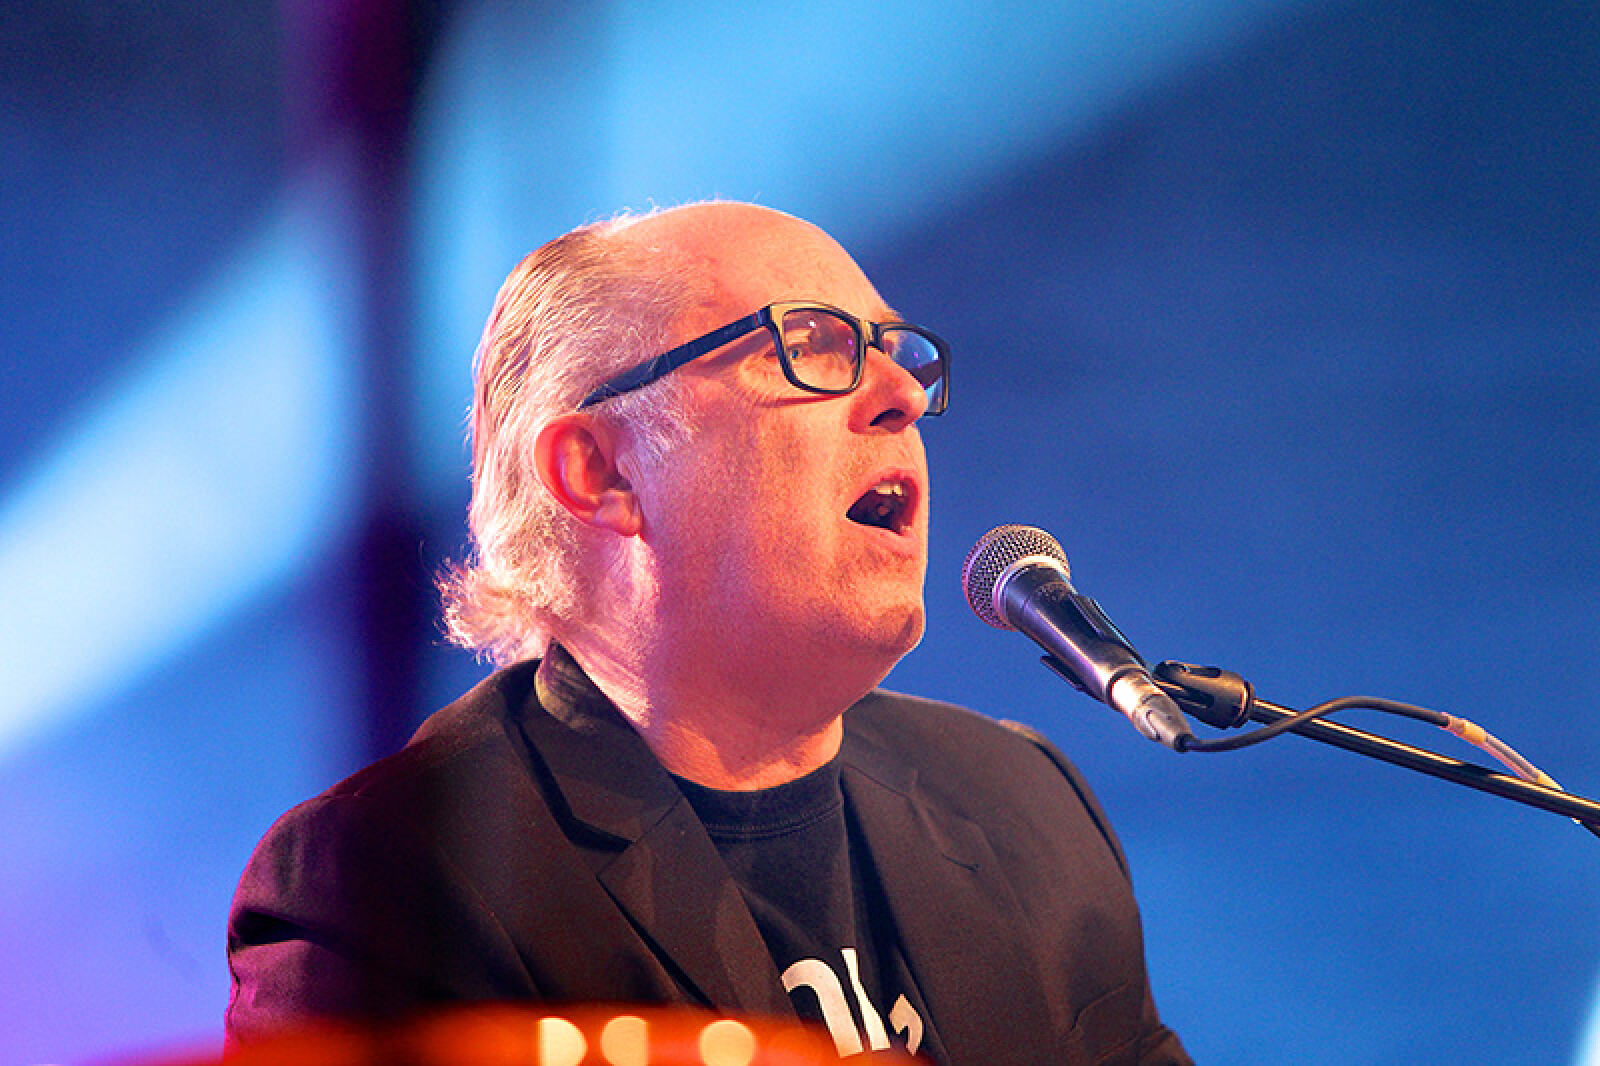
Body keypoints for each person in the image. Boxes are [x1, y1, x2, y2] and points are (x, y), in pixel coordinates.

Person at [226, 203, 1190, 1064]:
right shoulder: (392, 882)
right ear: (602, 473)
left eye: (897, 352)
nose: (901, 392)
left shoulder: (1026, 803)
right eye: (810, 344)